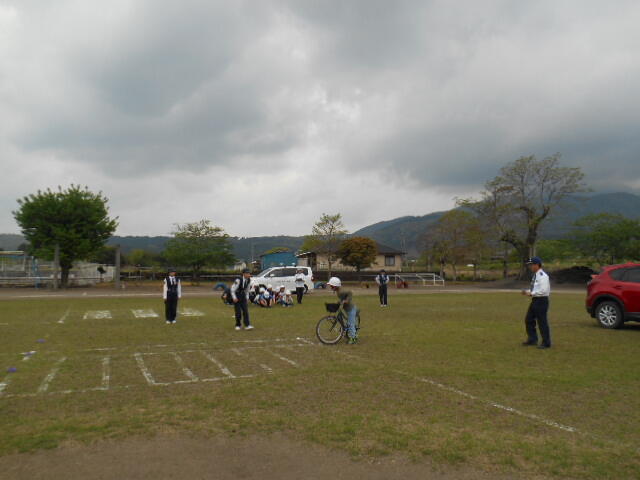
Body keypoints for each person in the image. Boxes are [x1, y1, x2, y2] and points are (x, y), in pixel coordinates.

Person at [521, 257, 551, 349]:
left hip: (541, 300)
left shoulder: (543, 276)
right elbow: (535, 289)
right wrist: (527, 291)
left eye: (531, 265)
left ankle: (546, 342)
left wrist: (531, 293)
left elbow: (543, 291)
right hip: (535, 300)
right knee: (529, 319)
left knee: (542, 322)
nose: (530, 267)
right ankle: (532, 339)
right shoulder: (536, 275)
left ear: (537, 265)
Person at [327, 276, 359, 344]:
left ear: (335, 286)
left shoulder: (342, 291)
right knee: (347, 322)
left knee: (350, 324)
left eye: (331, 286)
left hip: (351, 309)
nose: (330, 287)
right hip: (346, 308)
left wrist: (346, 300)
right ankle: (347, 331)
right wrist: (339, 302)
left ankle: (353, 338)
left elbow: (350, 292)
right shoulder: (338, 291)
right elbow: (342, 298)